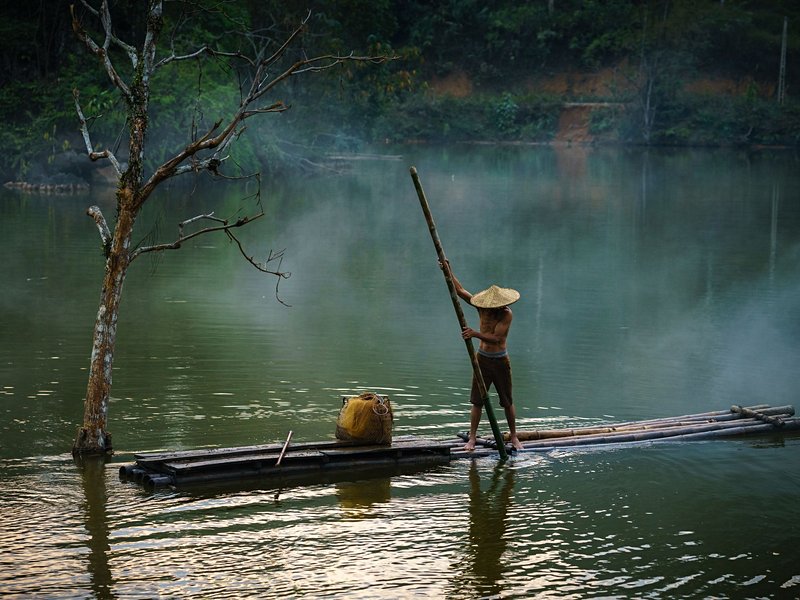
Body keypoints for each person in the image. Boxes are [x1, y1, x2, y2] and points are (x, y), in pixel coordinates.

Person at [441, 260, 524, 451]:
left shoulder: (506, 314)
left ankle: (513, 436)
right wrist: (448, 270)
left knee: (507, 401)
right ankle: (471, 439)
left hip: (500, 360)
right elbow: (461, 291)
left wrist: (474, 334)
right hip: (483, 359)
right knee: (477, 401)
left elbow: (496, 338)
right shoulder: (482, 307)